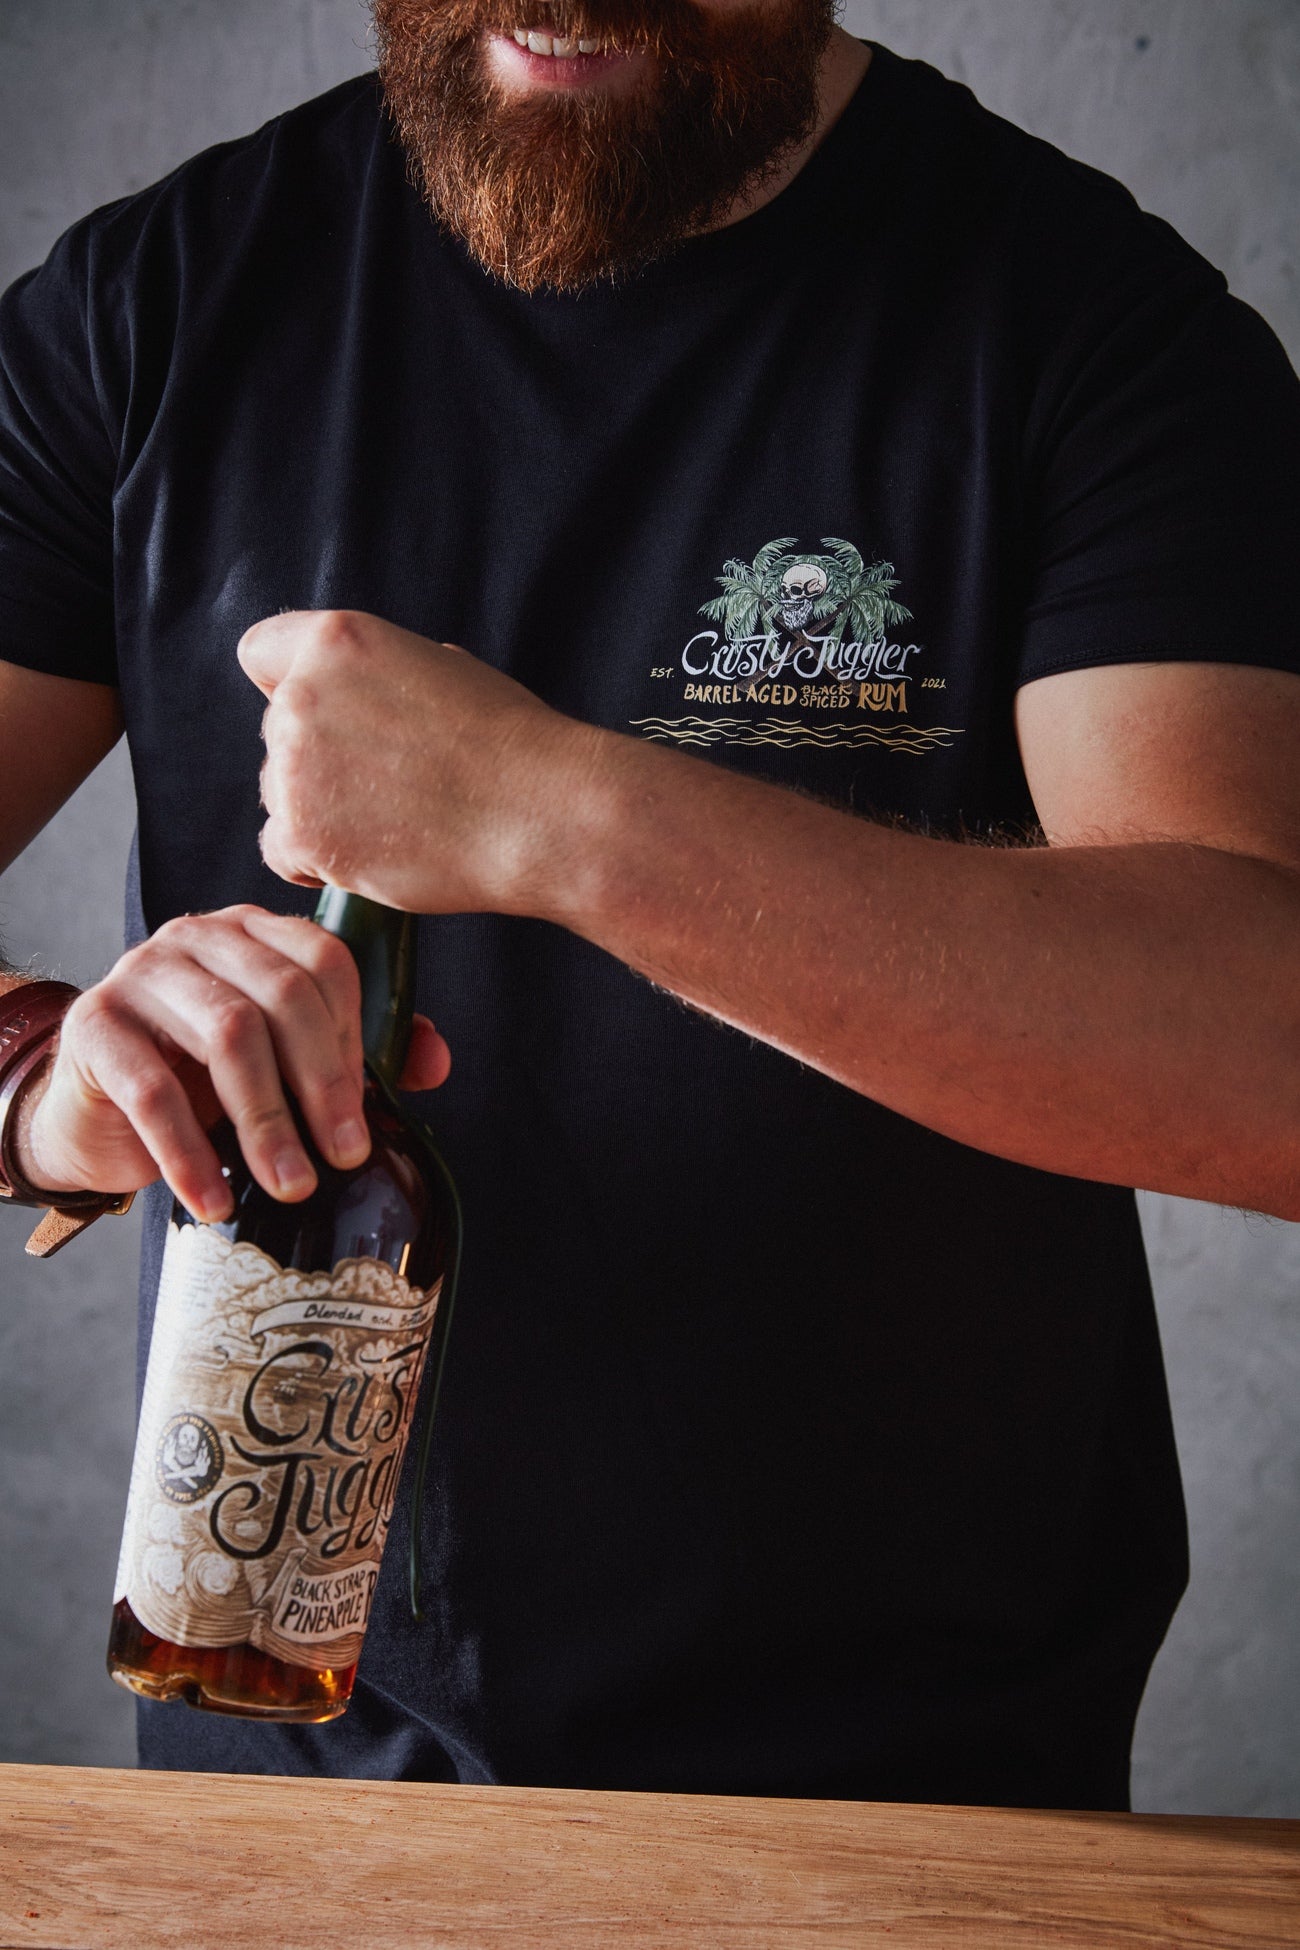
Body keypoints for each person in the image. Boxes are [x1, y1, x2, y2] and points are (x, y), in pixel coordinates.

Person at [1, 1, 1298, 1810]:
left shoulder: (1092, 326)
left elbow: (1266, 1056)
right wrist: (44, 1093)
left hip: (915, 1816)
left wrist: (559, 814)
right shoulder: (155, 306)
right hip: (280, 1791)